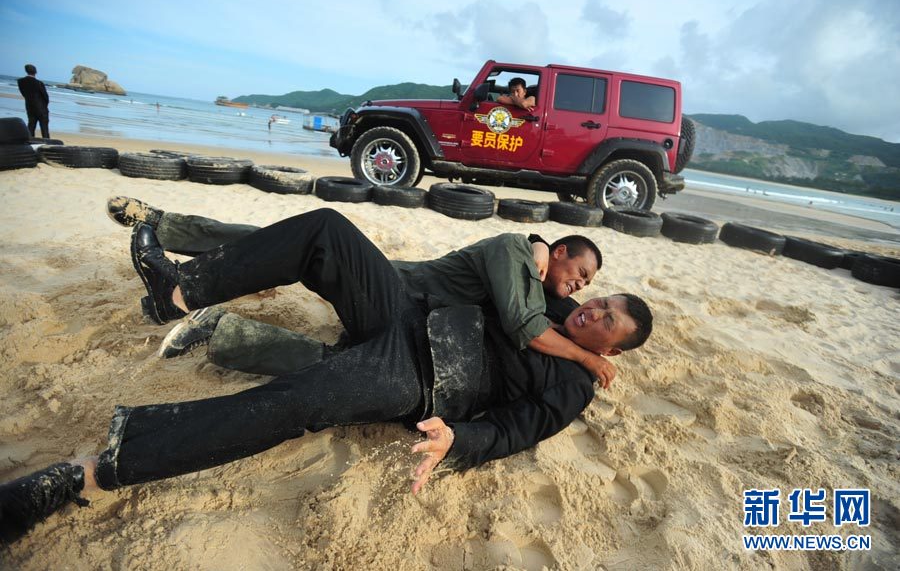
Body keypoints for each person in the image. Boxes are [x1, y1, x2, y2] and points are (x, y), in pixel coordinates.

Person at [0, 280, 652, 545]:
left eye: (608, 319)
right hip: (407, 313)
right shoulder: (542, 301)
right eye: (600, 299)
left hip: (421, 373)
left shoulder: (573, 386)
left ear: (613, 346)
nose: (593, 308)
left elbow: (516, 430)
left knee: (309, 397)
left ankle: (94, 471)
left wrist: (459, 437)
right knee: (328, 233)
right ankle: (183, 281)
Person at [108, 198, 615, 384]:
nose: (579, 288)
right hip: (391, 289)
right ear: (563, 249)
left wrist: (597, 345)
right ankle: (169, 234)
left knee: (295, 245)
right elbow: (526, 325)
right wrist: (589, 359)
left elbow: (564, 316)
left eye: (587, 287)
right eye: (582, 273)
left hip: (403, 325)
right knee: (294, 237)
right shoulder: (518, 253)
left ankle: (214, 322)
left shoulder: (542, 289)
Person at [16, 64, 50, 139]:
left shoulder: (20, 81)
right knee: (44, 128)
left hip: (29, 106)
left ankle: (30, 141)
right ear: (35, 72)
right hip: (41, 108)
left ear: (26, 71)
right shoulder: (39, 83)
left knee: (31, 125)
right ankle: (47, 143)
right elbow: (46, 97)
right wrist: (45, 106)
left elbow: (23, 93)